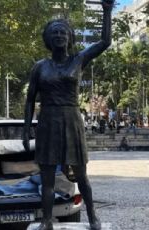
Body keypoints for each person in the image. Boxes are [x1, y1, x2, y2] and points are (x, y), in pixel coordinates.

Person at [22, 1, 114, 229]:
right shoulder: (39, 67)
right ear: (48, 39)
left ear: (70, 37)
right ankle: (46, 220)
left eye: (63, 32)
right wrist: (26, 130)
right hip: (48, 121)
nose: (60, 35)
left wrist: (107, 11)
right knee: (47, 177)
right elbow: (30, 99)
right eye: (55, 32)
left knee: (81, 174)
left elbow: (105, 42)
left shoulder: (78, 59)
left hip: (72, 120)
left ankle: (92, 215)